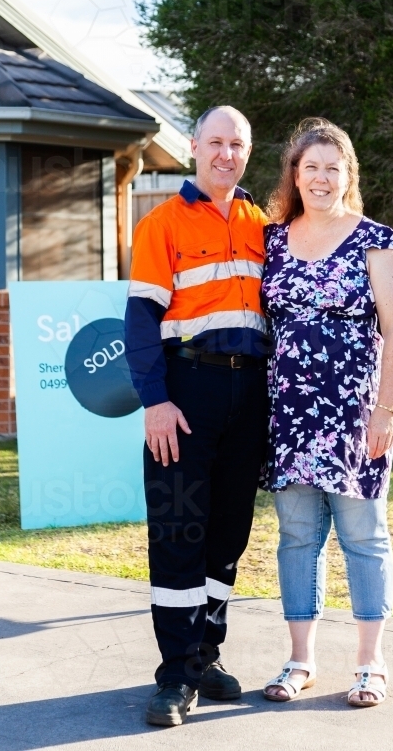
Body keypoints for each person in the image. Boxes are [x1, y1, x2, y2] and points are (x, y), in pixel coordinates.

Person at [125, 105, 269, 727]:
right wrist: (155, 401)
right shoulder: (162, 223)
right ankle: (174, 675)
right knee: (180, 531)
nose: (226, 153)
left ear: (247, 153)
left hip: (250, 395)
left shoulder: (264, 223)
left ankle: (206, 655)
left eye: (237, 144)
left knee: (228, 535)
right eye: (216, 141)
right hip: (186, 391)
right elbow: (139, 320)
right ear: (193, 146)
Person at [260, 118, 393, 708]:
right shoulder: (270, 240)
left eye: (333, 167)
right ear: (294, 175)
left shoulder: (376, 240)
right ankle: (301, 660)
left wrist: (387, 409)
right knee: (297, 537)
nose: (321, 178)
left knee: (363, 535)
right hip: (289, 414)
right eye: (310, 167)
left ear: (348, 175)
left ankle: (371, 663)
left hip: (356, 414)